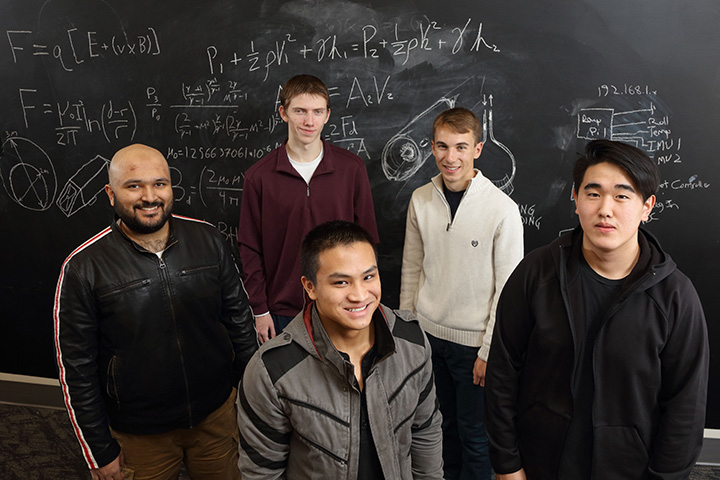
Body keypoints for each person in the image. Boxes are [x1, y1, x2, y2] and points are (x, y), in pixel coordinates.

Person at [485, 139, 709, 480]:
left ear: (647, 206)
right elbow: (503, 372)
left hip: (630, 470)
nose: (606, 209)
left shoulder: (675, 296)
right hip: (538, 465)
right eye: (593, 193)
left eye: (622, 195)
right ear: (575, 199)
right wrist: (507, 465)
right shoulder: (536, 272)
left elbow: (685, 408)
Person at [54, 144, 258, 480]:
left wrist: (251, 403)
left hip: (217, 417)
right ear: (110, 193)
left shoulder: (207, 239)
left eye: (159, 184)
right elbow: (76, 369)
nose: (150, 196)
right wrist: (98, 450)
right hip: (139, 434)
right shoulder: (83, 268)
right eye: (134, 186)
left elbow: (239, 322)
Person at [237, 220, 443, 479]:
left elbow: (425, 431)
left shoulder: (412, 341)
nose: (359, 295)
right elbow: (262, 473)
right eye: (341, 283)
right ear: (310, 287)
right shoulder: (272, 372)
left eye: (368, 277)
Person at [400, 107, 524, 479]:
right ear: (432, 147)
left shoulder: (502, 210)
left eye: (460, 147)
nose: (450, 157)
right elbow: (410, 269)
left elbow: (508, 292)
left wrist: (489, 350)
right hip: (427, 338)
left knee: (476, 435)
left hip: (474, 349)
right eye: (441, 146)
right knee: (438, 429)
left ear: (478, 149)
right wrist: (408, 333)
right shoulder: (420, 199)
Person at [238, 74, 379, 344]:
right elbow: (249, 247)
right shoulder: (259, 177)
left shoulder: (352, 169)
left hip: (343, 304)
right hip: (281, 311)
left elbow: (368, 239)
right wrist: (259, 309)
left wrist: (363, 301)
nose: (309, 121)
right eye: (299, 111)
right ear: (284, 113)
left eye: (317, 112)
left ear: (327, 115)